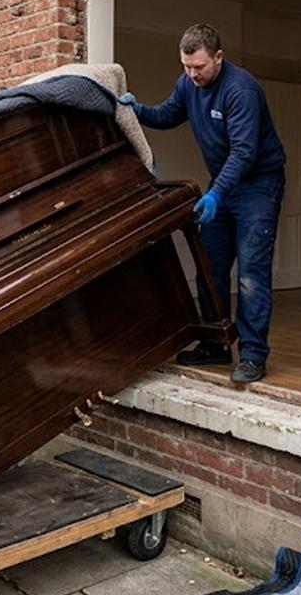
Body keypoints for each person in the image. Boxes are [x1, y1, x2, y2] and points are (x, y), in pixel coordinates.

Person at [121, 24, 286, 384]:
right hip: (224, 186)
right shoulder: (188, 84)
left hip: (258, 185)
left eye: (199, 67)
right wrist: (138, 111)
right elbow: (168, 115)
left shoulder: (241, 90)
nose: (192, 75)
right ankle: (214, 345)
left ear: (218, 58)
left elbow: (244, 152)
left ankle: (253, 355)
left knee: (251, 273)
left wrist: (216, 193)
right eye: (186, 67)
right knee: (210, 266)